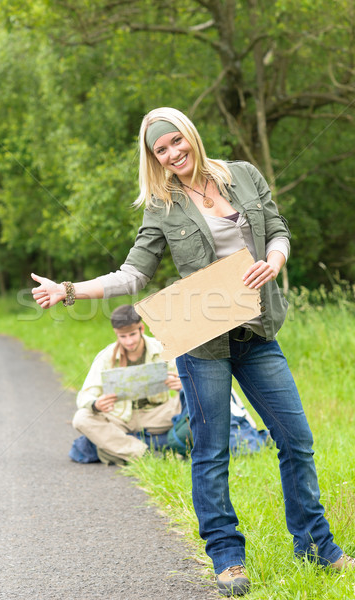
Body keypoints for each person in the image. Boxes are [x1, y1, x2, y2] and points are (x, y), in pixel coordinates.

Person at [31, 107, 354, 596]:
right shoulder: (161, 206)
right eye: (160, 150)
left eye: (176, 142)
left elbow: (279, 227)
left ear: (190, 136)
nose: (172, 153)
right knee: (211, 449)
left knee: (297, 439)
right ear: (153, 158)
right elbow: (134, 274)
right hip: (201, 336)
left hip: (258, 332)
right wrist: (71, 290)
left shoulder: (242, 175)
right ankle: (227, 557)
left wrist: (274, 258)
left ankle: (316, 546)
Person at [72, 304, 182, 466]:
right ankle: (145, 453)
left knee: (195, 398)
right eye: (123, 337)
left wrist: (181, 384)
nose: (129, 341)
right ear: (116, 334)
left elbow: (189, 380)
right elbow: (85, 395)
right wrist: (96, 404)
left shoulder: (161, 348)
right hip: (120, 417)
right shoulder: (105, 356)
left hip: (157, 414)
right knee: (81, 418)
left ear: (141, 329)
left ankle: (112, 450)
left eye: (132, 334)